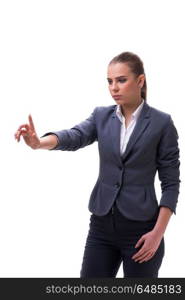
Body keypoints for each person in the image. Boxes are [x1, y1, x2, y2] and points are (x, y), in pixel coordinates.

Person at [14, 51, 180, 278]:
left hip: (142, 231)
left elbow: (171, 184)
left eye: (121, 80)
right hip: (101, 226)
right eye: (110, 81)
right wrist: (38, 143)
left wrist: (157, 234)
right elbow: (75, 136)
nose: (114, 87)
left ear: (140, 81)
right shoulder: (101, 116)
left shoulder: (162, 123)